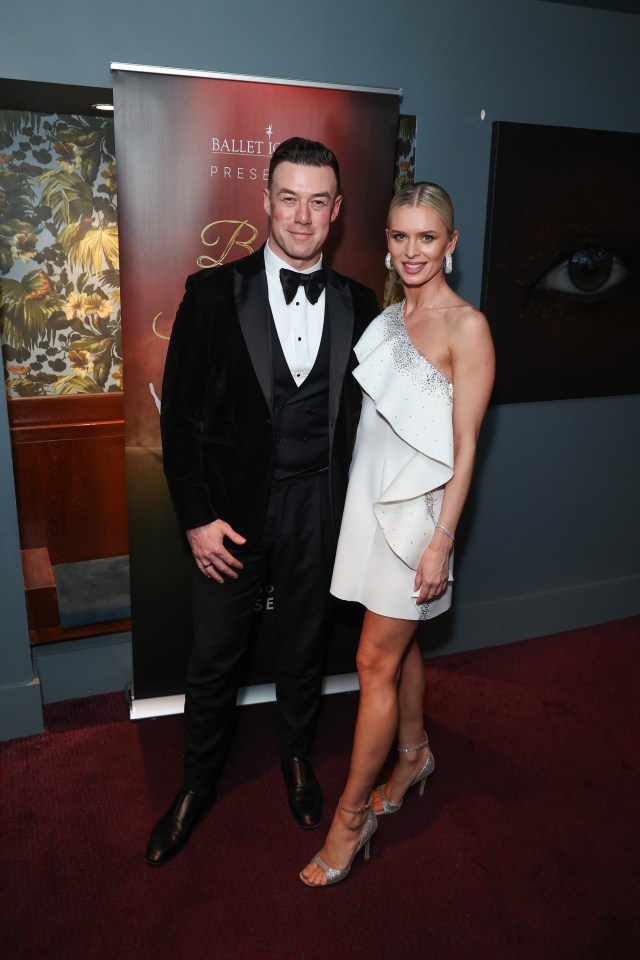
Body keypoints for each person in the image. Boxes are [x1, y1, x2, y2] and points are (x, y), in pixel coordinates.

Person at [144, 137, 379, 867]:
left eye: (318, 201)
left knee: (304, 647)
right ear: (265, 201)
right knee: (215, 658)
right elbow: (176, 420)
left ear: (337, 212)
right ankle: (194, 787)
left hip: (319, 511)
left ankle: (296, 760)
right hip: (230, 520)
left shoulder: (361, 304)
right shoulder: (212, 293)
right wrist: (193, 519)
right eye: (289, 197)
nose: (302, 215)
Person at [300, 181, 495, 886]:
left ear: (452, 243)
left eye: (427, 238)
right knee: (398, 643)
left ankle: (352, 818)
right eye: (400, 237)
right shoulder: (387, 317)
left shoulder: (465, 326)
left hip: (417, 518)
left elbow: (467, 445)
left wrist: (444, 538)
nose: (412, 252)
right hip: (367, 504)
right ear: (386, 240)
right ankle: (414, 753)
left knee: (374, 660)